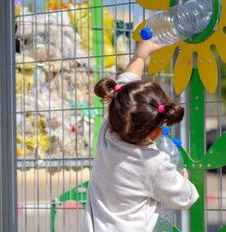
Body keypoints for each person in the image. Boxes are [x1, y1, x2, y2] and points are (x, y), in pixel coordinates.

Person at [82, 40, 199, 232]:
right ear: (157, 132)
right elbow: (186, 197)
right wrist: (185, 180)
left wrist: (141, 54)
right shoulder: (154, 164)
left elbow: (127, 80)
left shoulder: (109, 129)